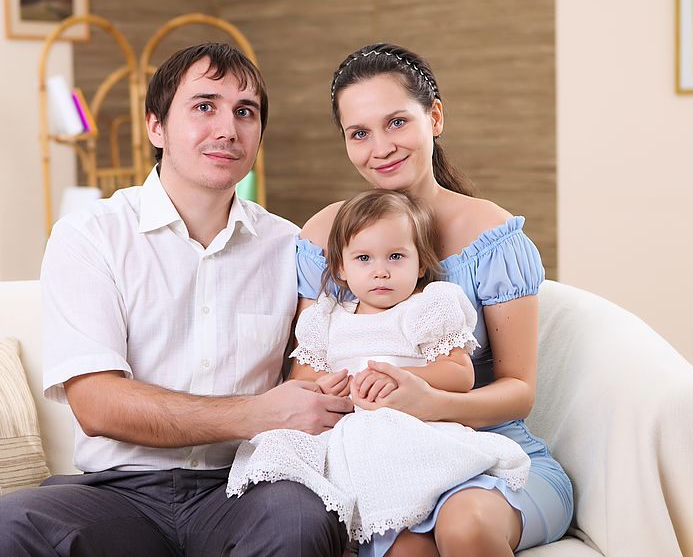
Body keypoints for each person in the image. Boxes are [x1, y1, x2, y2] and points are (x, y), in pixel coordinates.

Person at [0, 42, 352, 557]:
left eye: (245, 112)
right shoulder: (89, 236)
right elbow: (97, 404)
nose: (227, 129)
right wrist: (257, 413)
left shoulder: (289, 247)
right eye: (204, 106)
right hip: (117, 494)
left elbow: (315, 373)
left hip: (245, 486)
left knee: (301, 519)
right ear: (155, 126)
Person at [296, 43, 574, 556]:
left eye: (396, 122)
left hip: (490, 452)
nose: (380, 148)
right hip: (384, 463)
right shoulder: (326, 238)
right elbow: (307, 369)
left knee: (464, 526)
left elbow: (519, 390)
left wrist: (435, 403)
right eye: (359, 133)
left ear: (435, 117)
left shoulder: (491, 236)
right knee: (404, 547)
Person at [226, 189, 531, 552]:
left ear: (420, 265)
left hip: (417, 439)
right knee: (405, 550)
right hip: (359, 455)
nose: (381, 271)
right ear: (341, 267)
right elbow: (303, 383)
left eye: (396, 257)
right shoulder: (325, 320)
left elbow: (459, 373)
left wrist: (403, 378)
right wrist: (331, 389)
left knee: (450, 514)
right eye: (364, 258)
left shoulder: (424, 309)